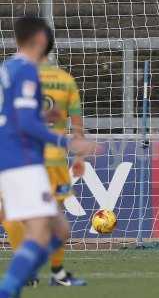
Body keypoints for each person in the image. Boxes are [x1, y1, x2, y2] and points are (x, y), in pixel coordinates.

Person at [0, 17, 99, 297]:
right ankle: (8, 289)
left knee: (59, 228)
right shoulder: (28, 71)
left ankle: (17, 283)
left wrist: (43, 115)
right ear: (42, 39)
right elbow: (25, 125)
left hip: (12, 157)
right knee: (43, 232)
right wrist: (68, 141)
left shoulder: (7, 68)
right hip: (23, 159)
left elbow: (13, 116)